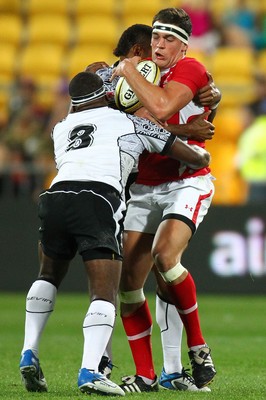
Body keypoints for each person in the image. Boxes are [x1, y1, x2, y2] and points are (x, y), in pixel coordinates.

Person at [18, 71, 211, 396]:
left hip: (54, 197)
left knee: (48, 275)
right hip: (97, 199)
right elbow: (192, 157)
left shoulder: (60, 128)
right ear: (107, 92)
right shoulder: (128, 122)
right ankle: (90, 371)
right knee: (104, 293)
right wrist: (197, 143)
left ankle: (29, 351)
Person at [87, 22, 220, 392]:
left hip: (183, 180)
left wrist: (212, 101)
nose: (156, 51)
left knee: (165, 263)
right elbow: (131, 124)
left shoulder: (180, 72)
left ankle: (189, 354)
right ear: (134, 52)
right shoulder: (114, 75)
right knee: (128, 283)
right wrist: (185, 131)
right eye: (151, 44)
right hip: (139, 187)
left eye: (165, 41)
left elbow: (159, 111)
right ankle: (148, 374)